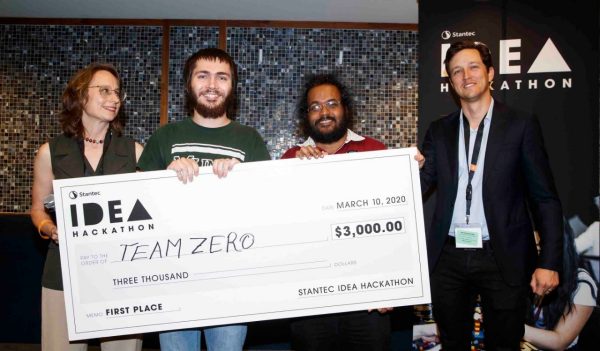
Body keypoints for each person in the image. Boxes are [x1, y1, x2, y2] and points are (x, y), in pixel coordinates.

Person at [419, 40, 564, 350]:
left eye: (473, 67)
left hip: (503, 256)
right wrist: (405, 170)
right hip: (448, 257)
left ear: (490, 73)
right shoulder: (439, 130)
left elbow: (545, 198)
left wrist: (549, 261)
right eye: (456, 71)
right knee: (453, 343)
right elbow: (419, 185)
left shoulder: (521, 125)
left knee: (505, 344)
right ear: (450, 81)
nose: (465, 75)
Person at [136, 47, 270, 350]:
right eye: (203, 76)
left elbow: (267, 209)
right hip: (172, 278)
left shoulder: (249, 139)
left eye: (222, 77)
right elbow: (138, 206)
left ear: (232, 86)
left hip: (231, 279)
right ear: (188, 84)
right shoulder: (165, 137)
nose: (212, 85)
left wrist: (243, 180)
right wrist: (164, 179)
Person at [31, 63, 143, 350]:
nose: (114, 98)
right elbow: (37, 208)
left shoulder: (135, 151)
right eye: (105, 90)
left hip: (122, 272)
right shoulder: (50, 152)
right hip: (64, 270)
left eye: (117, 92)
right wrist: (48, 228)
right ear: (80, 96)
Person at [281, 73, 391, 351]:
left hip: (368, 300)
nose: (324, 112)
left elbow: (393, 226)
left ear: (345, 109)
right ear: (306, 116)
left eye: (332, 103)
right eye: (315, 107)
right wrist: (292, 170)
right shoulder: (289, 160)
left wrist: (394, 286)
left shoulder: (376, 152)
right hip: (311, 303)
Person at [522, 222, 598, 350]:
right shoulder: (525, 273)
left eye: (540, 248)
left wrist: (511, 326)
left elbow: (559, 341)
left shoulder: (581, 283)